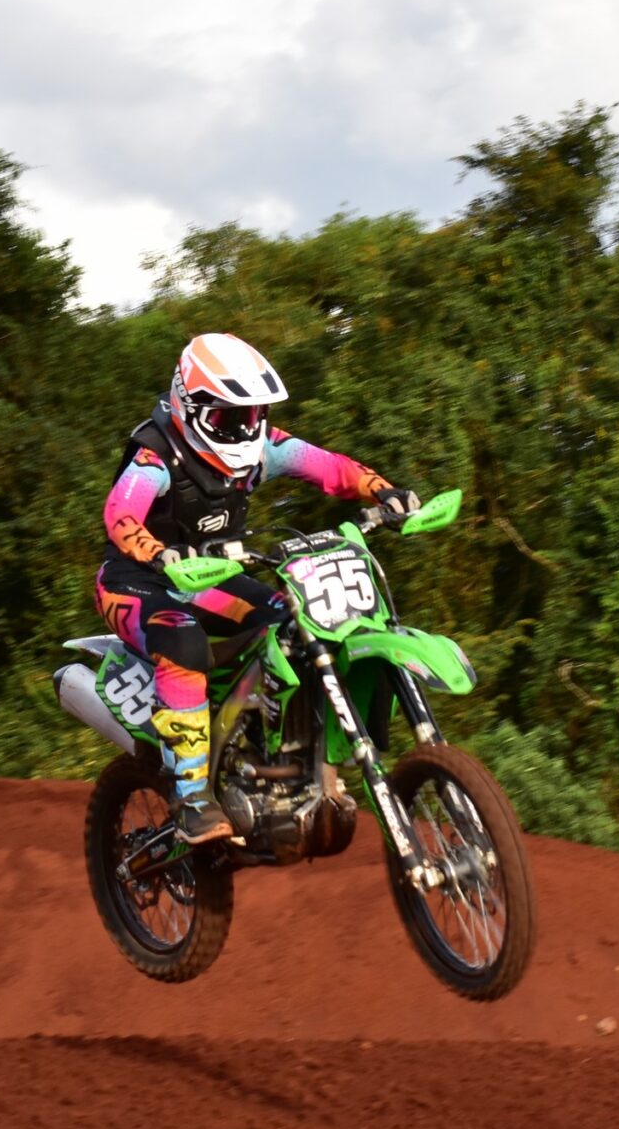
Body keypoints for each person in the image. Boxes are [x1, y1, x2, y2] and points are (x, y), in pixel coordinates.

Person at [98, 333, 418, 842]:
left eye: (252, 415)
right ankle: (191, 797)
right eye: (229, 418)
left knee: (296, 621)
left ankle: (279, 758)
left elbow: (330, 467)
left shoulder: (263, 446)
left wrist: (383, 491)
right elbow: (120, 514)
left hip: (211, 576)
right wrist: (157, 552)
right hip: (137, 582)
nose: (245, 429)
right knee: (182, 641)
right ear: (190, 407)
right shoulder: (156, 458)